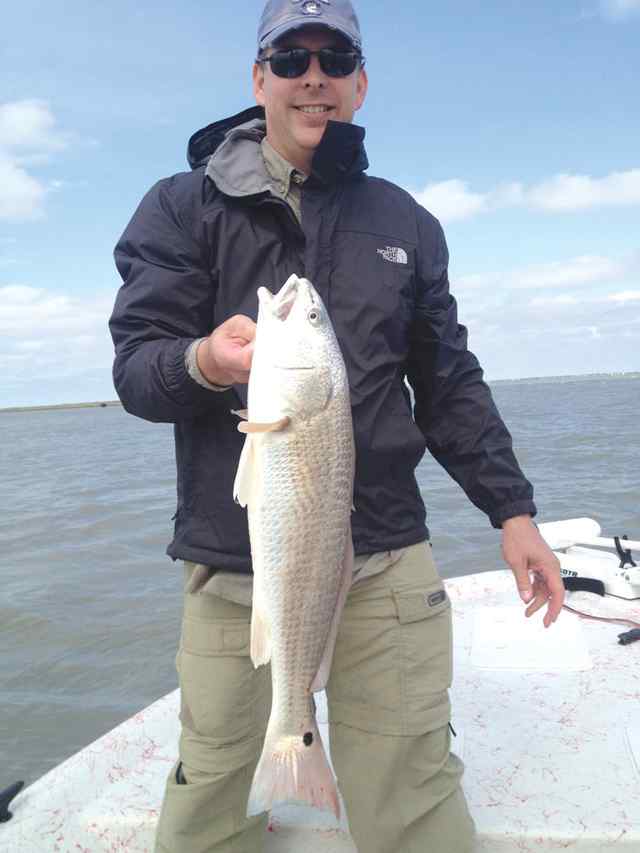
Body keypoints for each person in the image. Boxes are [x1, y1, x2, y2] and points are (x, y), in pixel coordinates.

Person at [109, 1, 565, 851]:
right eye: (290, 56)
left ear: (360, 82)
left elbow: (449, 380)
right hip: (234, 553)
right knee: (210, 782)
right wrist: (204, 358)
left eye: (334, 56)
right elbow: (136, 368)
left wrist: (513, 512)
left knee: (412, 782)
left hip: (387, 550)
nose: (312, 74)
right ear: (259, 79)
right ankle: (284, 743)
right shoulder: (182, 207)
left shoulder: (405, 222)